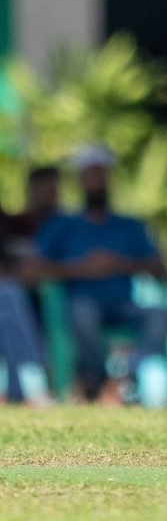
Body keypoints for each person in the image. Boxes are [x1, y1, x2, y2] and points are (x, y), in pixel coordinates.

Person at [32, 149, 167, 404]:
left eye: (101, 176)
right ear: (80, 181)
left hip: (123, 305)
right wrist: (82, 268)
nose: (96, 183)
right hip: (81, 302)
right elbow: (35, 268)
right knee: (82, 313)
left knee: (160, 315)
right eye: (90, 176)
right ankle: (94, 381)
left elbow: (161, 268)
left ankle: (123, 379)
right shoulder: (62, 225)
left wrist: (119, 264)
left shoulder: (129, 225)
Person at [0, 165, 58, 404]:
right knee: (8, 296)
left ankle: (24, 387)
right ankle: (32, 383)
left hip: (47, 302)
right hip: (15, 299)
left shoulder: (64, 224)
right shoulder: (14, 224)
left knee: (8, 300)